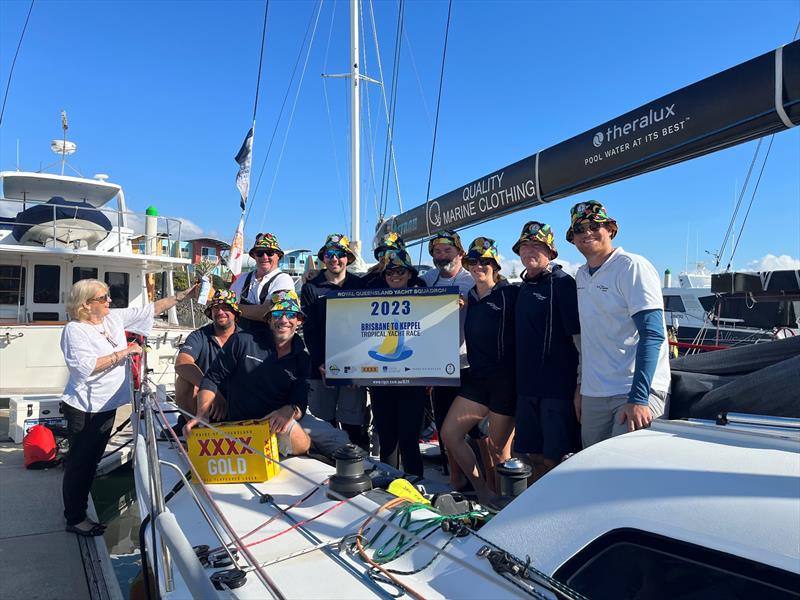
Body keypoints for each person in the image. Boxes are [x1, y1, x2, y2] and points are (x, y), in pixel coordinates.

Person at [60, 278, 196, 536]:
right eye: (103, 298)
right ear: (86, 305)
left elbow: (150, 310)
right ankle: (75, 517)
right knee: (81, 463)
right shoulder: (75, 330)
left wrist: (183, 296)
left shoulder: (111, 319)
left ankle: (77, 510)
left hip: (106, 404)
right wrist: (124, 352)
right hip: (85, 407)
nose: (109, 301)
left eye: (108, 296)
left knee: (90, 460)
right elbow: (84, 367)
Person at [567, 201, 671, 446]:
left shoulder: (631, 267)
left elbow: (653, 334)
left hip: (634, 390)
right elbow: (588, 337)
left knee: (624, 472)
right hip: (594, 393)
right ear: (573, 239)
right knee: (591, 470)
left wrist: (639, 397)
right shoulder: (581, 275)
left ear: (610, 230)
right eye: (580, 229)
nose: (587, 232)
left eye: (595, 225)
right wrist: (582, 387)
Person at [186, 290, 312, 456]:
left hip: (278, 424)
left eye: (290, 314)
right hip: (242, 428)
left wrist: (289, 410)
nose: (283, 320)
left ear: (299, 320)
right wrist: (202, 414)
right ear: (268, 319)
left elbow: (300, 402)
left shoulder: (303, 358)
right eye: (277, 314)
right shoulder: (242, 341)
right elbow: (211, 379)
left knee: (327, 440)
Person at [441, 237, 518, 502]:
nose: (478, 266)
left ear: (495, 264)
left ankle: (505, 504)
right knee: (450, 434)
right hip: (478, 380)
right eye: (473, 261)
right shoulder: (470, 297)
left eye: (485, 261)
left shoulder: (509, 294)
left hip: (505, 383)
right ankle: (483, 492)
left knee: (499, 453)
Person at [512, 222, 581, 480]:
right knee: (530, 455)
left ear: (551, 252)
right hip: (526, 387)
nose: (530, 250)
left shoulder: (563, 284)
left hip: (556, 390)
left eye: (537, 246)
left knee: (555, 457)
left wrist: (579, 385)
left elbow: (578, 339)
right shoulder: (523, 287)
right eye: (525, 245)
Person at [300, 234, 369, 448]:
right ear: (324, 258)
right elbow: (309, 330)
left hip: (352, 368)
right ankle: (326, 471)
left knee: (353, 425)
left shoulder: (360, 285)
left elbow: (367, 327)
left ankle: (360, 469)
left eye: (340, 254)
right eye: (330, 254)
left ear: (348, 258)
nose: (335, 259)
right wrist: (321, 362)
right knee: (323, 425)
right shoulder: (311, 287)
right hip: (320, 367)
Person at [420, 230, 475, 488]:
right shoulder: (427, 279)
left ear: (460, 253)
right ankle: (456, 479)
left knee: (476, 432)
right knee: (444, 427)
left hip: (468, 365)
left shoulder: (471, 279)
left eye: (447, 251)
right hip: (439, 367)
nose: (442, 256)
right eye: (437, 252)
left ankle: (484, 480)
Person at [368, 249, 428, 477]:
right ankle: (389, 484)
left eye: (400, 271)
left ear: (409, 274)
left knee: (409, 441)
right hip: (381, 380)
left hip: (413, 380)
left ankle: (417, 484)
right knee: (387, 439)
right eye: (390, 272)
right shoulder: (372, 298)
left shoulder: (425, 298)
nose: (395, 275)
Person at [173, 289, 241, 434]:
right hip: (204, 405)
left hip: (237, 404)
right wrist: (210, 390)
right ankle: (196, 428)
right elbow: (182, 363)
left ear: (235, 313)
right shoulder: (199, 336)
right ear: (210, 313)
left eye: (226, 308)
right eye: (216, 308)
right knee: (183, 381)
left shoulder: (247, 338)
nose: (220, 312)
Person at [230, 232, 294, 332]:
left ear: (278, 256)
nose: (264, 257)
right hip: (240, 341)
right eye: (260, 253)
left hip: (267, 343)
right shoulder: (243, 278)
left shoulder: (284, 280)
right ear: (254, 256)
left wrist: (233, 308)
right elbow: (226, 300)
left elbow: (268, 312)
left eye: (269, 253)